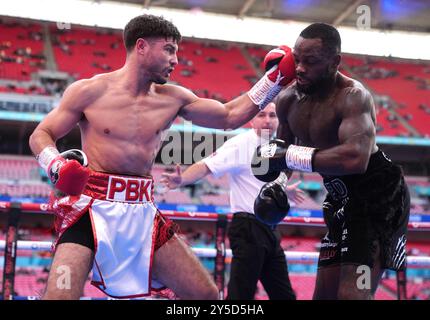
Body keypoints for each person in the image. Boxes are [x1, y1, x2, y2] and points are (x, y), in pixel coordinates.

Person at [28, 14, 295, 299]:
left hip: (143, 210)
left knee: (205, 296)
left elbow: (230, 116)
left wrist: (274, 80)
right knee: (58, 296)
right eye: (169, 49)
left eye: (176, 51)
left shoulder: (173, 98)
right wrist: (55, 164)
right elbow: (41, 134)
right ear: (141, 46)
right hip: (91, 209)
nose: (176, 60)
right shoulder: (89, 91)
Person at [251, 23, 410, 300]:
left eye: (310, 62)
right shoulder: (288, 99)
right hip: (339, 200)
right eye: (297, 59)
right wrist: (276, 182)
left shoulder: (352, 96)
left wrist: (288, 156)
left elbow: (355, 158)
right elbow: (281, 152)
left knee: (353, 295)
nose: (299, 68)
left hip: (378, 197)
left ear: (334, 62)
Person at [160, 102, 304, 300]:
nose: (268, 120)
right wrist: (182, 179)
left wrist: (283, 189)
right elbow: (207, 165)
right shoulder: (241, 144)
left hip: (270, 230)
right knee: (240, 296)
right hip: (248, 227)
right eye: (262, 115)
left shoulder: (276, 147)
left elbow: (256, 182)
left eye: (273, 116)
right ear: (252, 119)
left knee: (284, 296)